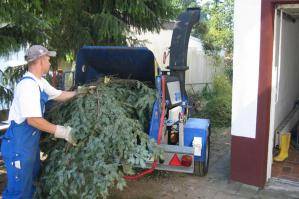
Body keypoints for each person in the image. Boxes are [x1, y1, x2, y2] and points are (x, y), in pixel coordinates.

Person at [1, 45, 79, 198]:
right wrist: (63, 132)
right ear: (40, 61)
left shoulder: (39, 82)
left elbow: (59, 95)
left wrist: (78, 92)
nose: (50, 63)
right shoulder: (27, 86)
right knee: (19, 192)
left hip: (29, 146)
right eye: (48, 59)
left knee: (31, 187)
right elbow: (33, 120)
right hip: (18, 147)